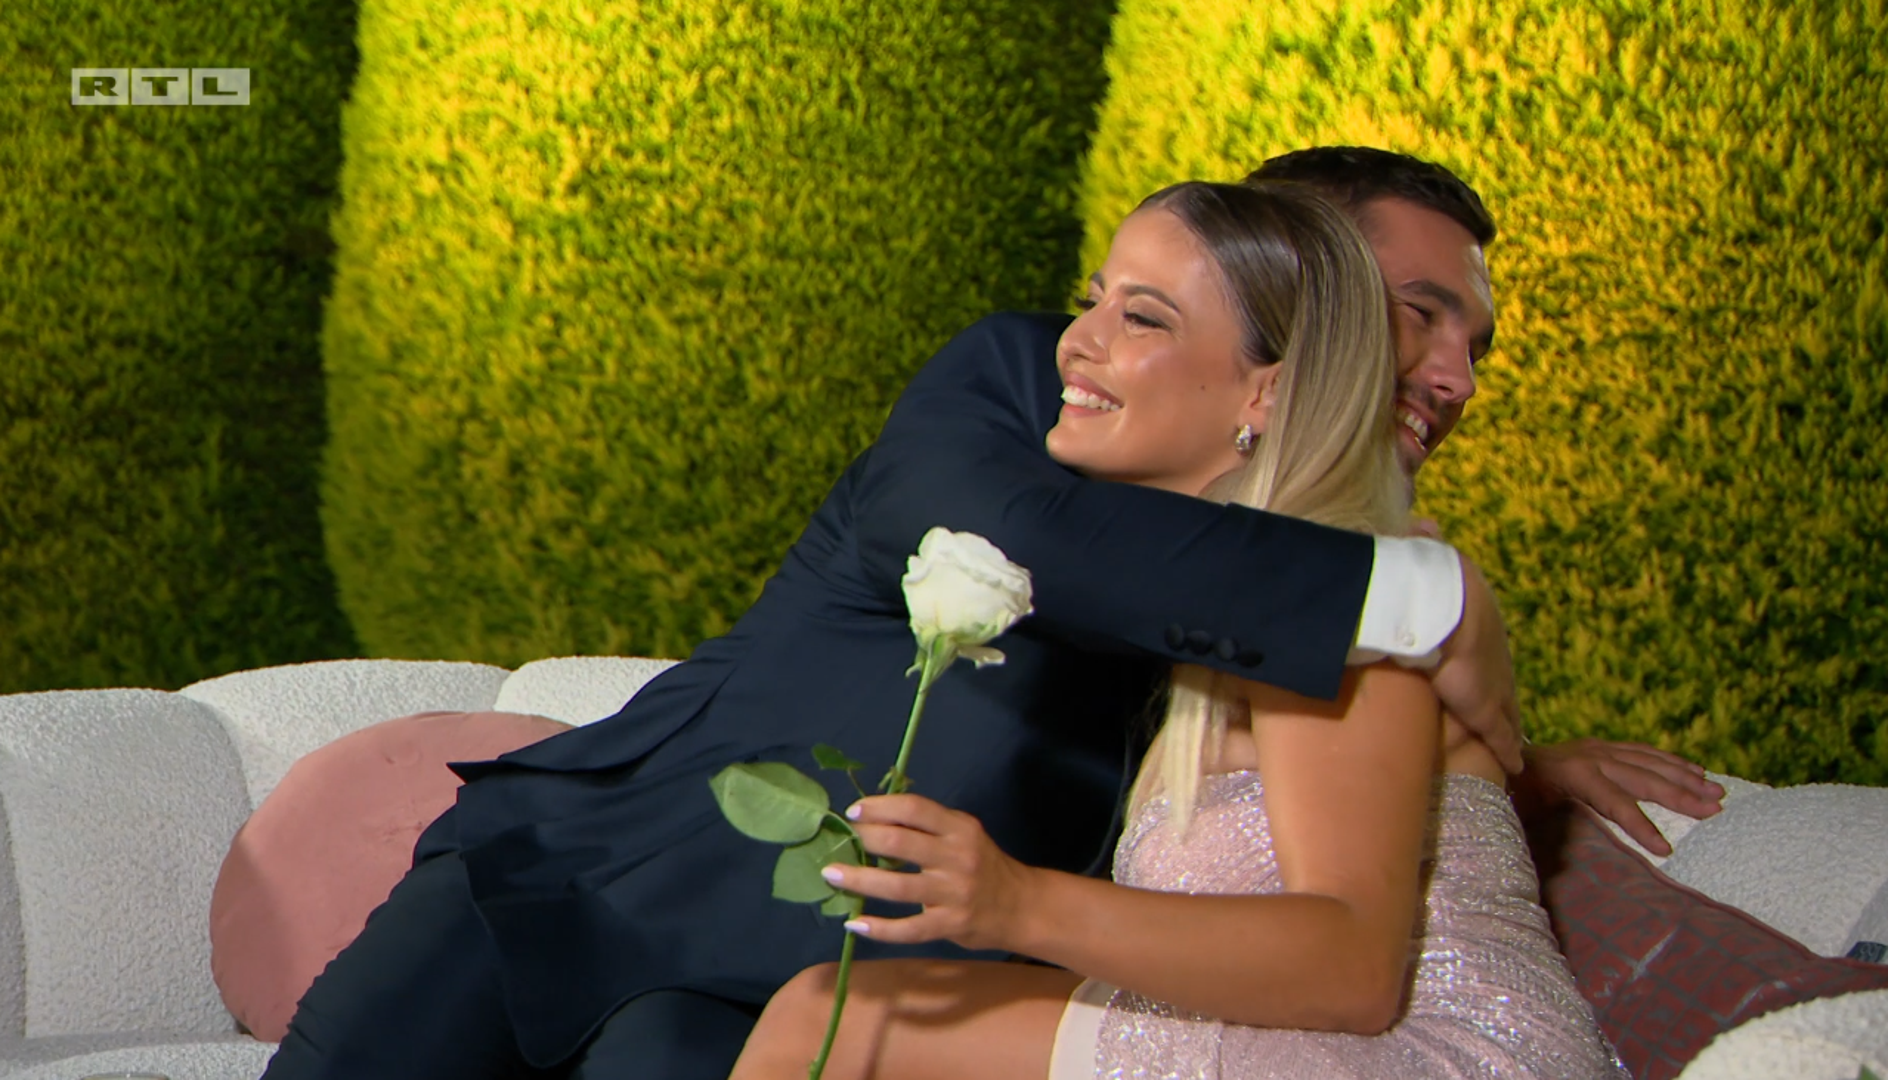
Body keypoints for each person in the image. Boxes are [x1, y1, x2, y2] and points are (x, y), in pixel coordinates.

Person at [260, 148, 1715, 1080]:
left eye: (1472, 335)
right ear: (1295, 274)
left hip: (819, 989)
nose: (1453, 370)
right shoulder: (1030, 392)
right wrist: (1422, 599)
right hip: (597, 885)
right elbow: (1027, 540)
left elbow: (1320, 821)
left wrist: (1503, 776)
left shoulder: (1326, 587)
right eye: (1416, 308)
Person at [729, 179, 1626, 1080]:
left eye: (1143, 319)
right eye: (1093, 301)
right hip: (1323, 1036)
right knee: (838, 1017)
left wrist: (1015, 902)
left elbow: (1355, 969)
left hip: (1435, 1055)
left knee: (833, 1023)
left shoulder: (1329, 604)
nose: (1077, 341)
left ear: (1269, 392)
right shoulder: (1237, 601)